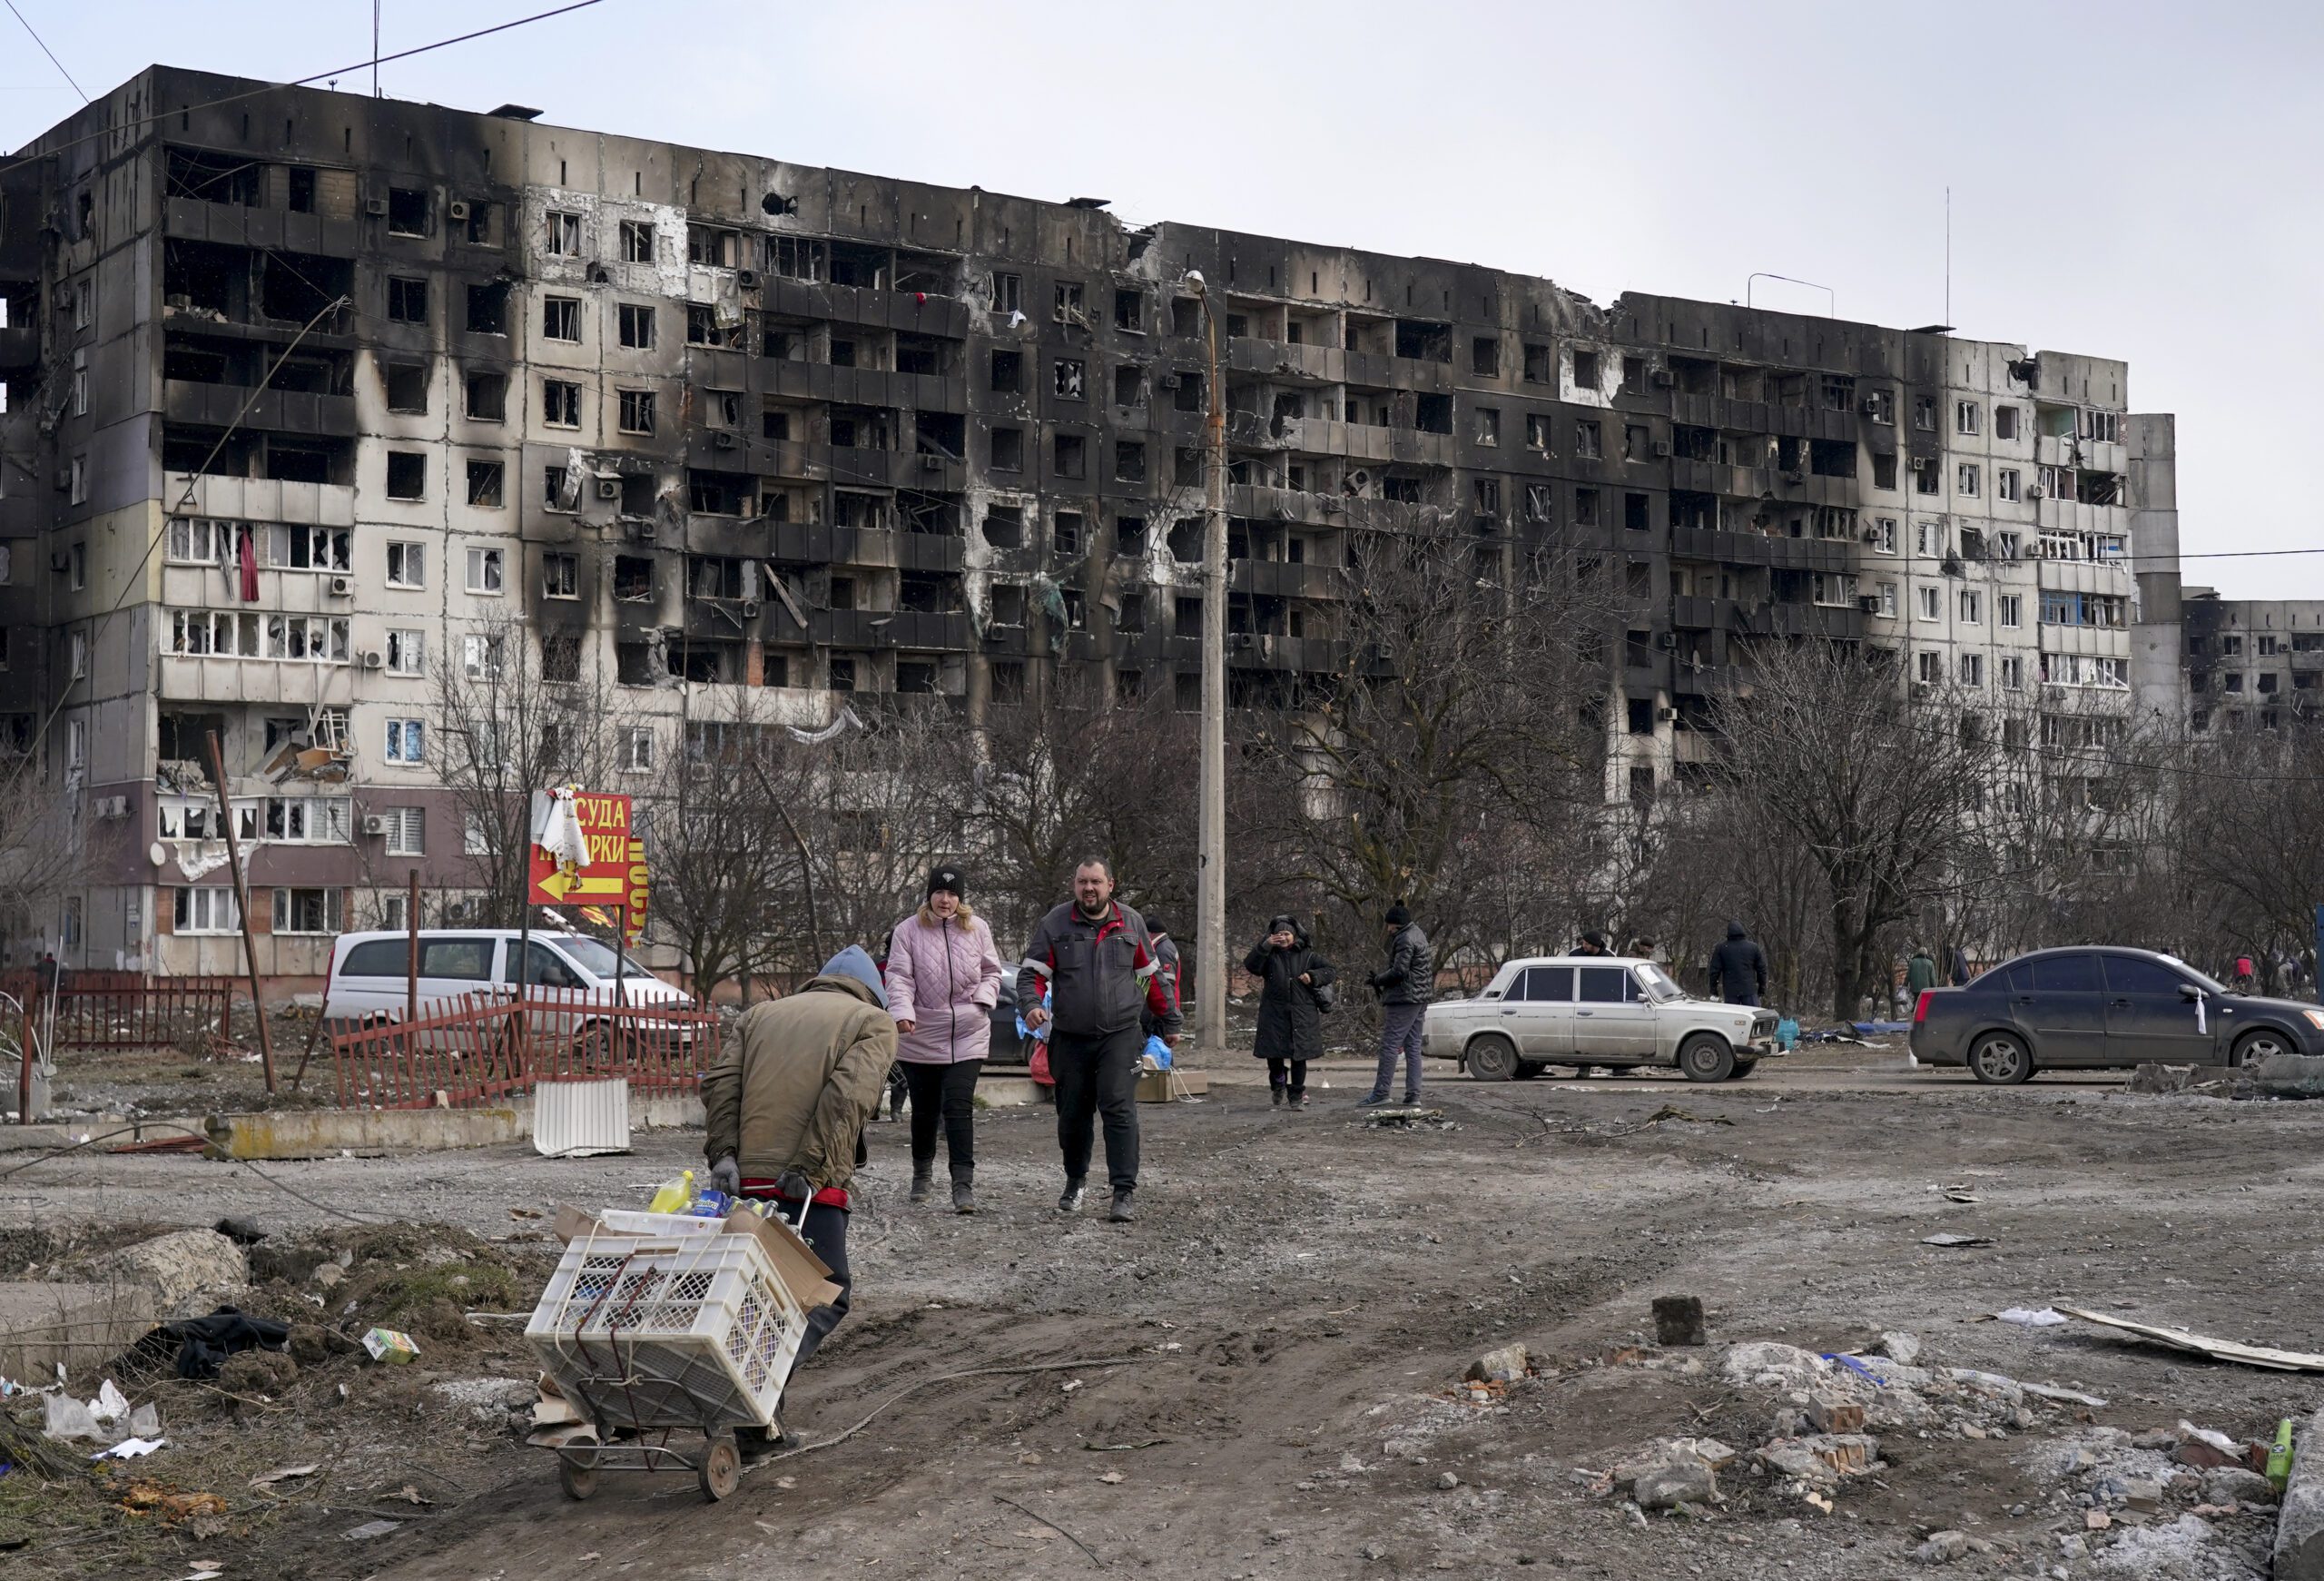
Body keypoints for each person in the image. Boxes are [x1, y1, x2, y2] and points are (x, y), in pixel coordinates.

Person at [703, 945, 895, 1378]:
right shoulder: (873, 1022)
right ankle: (752, 1378)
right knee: (826, 1291)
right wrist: (810, 1168)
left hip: (742, 1181)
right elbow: (848, 1098)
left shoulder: (758, 1016)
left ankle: (759, 1420)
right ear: (873, 992)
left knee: (755, 1291)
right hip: (806, 1185)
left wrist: (724, 1156)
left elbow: (721, 1086)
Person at [1020, 857, 1181, 1223]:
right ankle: (1075, 1181)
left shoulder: (1130, 922)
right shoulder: (1055, 923)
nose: (1088, 888)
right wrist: (1031, 1004)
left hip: (1120, 1035)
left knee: (1118, 1108)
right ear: (1074, 885)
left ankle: (1123, 1191)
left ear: (1111, 884)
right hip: (1070, 1037)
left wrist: (1168, 1018)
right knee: (1073, 1115)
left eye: (1095, 881)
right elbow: (1032, 975)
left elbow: (1151, 976)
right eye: (1081, 882)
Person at [884, 865, 1003, 1213]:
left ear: (960, 899)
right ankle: (921, 1174)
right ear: (929, 895)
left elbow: (992, 971)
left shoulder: (978, 928)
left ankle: (962, 1186)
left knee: (958, 1107)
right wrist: (902, 1012)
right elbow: (899, 977)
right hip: (922, 1033)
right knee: (924, 1110)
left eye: (952, 894)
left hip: (968, 1031)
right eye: (939, 892)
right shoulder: (908, 931)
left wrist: (983, 999)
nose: (946, 900)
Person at [1245, 914, 1334, 1110]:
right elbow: (1251, 965)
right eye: (1278, 934)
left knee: (1299, 1057)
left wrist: (1313, 976)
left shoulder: (1308, 955)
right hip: (1274, 1014)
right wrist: (1265, 945)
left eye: (1286, 934)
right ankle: (1278, 1083)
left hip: (1302, 1013)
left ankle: (1296, 1097)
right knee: (1274, 1057)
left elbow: (1330, 971)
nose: (1282, 938)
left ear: (1294, 936)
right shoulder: (1268, 955)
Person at [1363, 904, 1432, 1107]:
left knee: (1390, 1045)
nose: (1387, 929)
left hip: (1405, 998)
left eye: (1389, 925)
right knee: (1413, 1046)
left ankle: (1381, 1092)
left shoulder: (1404, 938)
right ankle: (1413, 1094)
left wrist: (1378, 980)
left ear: (1395, 924)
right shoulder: (1418, 933)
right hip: (1420, 997)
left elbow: (1399, 971)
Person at [1140, 914, 1183, 1048]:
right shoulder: (1166, 946)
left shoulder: (1162, 950)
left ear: (1150, 933)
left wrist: (1160, 1013)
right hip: (1162, 1012)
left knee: (1159, 1052)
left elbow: (1166, 984)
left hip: (1160, 1015)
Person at [1708, 920, 1768, 1007]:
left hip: (1731, 991)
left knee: (1732, 1018)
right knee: (1751, 1016)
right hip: (1749, 990)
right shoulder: (1753, 947)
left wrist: (1713, 990)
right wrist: (1761, 989)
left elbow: (1714, 971)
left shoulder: (1721, 948)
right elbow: (1761, 970)